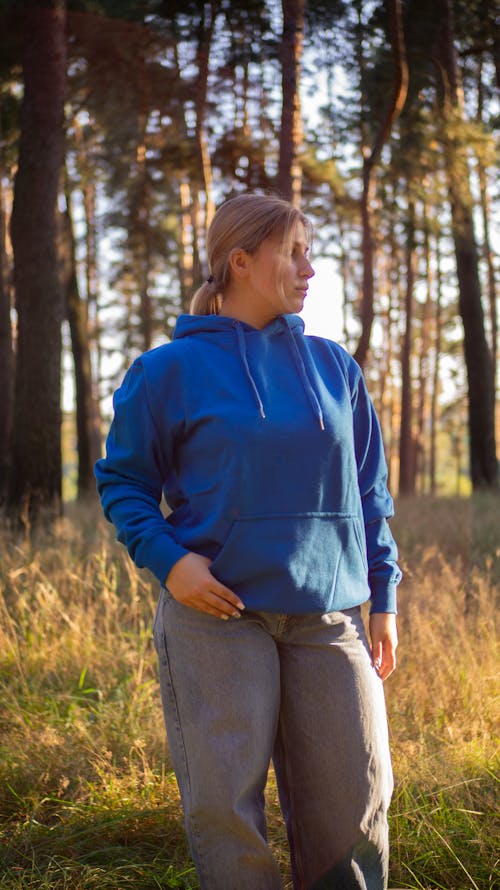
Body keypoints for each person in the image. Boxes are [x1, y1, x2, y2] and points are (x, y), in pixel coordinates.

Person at [95, 193, 402, 890]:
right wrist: (170, 563)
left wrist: (383, 591)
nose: (310, 268)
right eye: (293, 252)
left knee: (355, 807)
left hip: (329, 617)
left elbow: (369, 491)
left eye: (308, 251)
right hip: (217, 616)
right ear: (240, 262)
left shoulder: (334, 369)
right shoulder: (166, 371)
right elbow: (122, 482)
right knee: (228, 812)